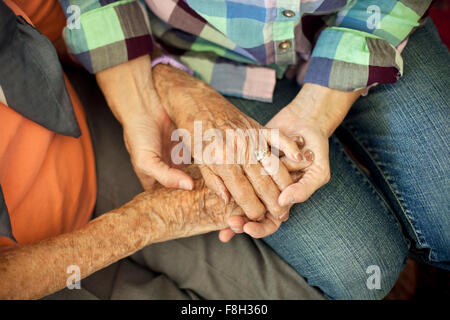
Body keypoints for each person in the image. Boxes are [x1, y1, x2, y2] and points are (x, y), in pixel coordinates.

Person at [1, 0, 449, 300]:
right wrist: (155, 217)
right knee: (362, 270)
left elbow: (46, 21)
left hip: (365, 21)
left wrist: (320, 106)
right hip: (203, 58)